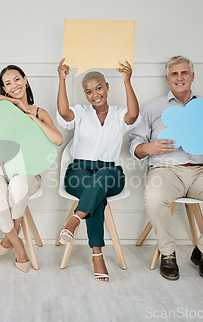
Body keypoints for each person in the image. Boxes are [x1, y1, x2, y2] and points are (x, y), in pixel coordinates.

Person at [128, 55, 203, 282]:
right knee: (153, 199)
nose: (179, 77)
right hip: (165, 170)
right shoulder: (153, 108)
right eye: (174, 73)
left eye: (184, 73)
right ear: (167, 78)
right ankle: (167, 254)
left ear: (192, 77)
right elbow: (133, 143)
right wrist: (148, 146)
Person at [56, 58, 140, 283]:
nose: (95, 94)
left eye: (99, 88)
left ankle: (75, 219)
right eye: (89, 91)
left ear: (107, 87)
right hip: (78, 171)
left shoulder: (118, 115)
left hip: (110, 173)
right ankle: (97, 255)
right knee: (96, 196)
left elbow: (133, 114)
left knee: (102, 177)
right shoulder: (81, 112)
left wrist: (127, 81)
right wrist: (62, 80)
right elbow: (64, 114)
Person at [0, 65, 63, 272]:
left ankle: (10, 236)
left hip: (27, 171)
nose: (14, 85)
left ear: (25, 80)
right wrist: (15, 102)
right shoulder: (1, 107)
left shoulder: (39, 111)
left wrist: (33, 119)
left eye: (17, 79)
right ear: (4, 89)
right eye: (7, 83)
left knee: (18, 189)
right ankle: (18, 246)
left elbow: (58, 139)